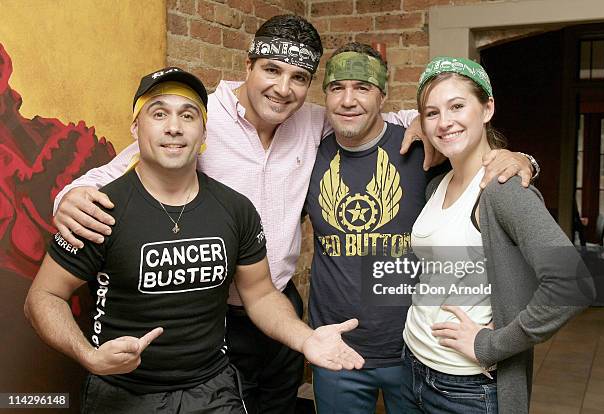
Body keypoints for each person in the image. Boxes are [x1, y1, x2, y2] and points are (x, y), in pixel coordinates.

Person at [50, 15, 535, 413]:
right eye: (272, 71)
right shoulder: (197, 119)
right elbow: (119, 168)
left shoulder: (311, 119)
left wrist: (515, 157)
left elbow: (390, 117)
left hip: (279, 306)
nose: (283, 89)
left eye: (299, 78)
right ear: (248, 66)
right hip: (211, 315)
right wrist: (68, 196)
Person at [24, 67, 364, 414]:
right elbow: (44, 296)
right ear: (136, 127)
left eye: (188, 116)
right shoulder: (99, 209)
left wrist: (307, 338)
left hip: (212, 390)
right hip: (123, 390)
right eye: (159, 114)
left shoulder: (235, 210)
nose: (174, 127)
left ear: (204, 132)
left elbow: (260, 294)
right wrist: (89, 356)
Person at [303, 43, 535, 414]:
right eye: (336, 88)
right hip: (336, 346)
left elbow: (481, 162)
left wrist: (522, 159)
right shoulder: (307, 156)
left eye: (362, 87)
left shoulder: (423, 148)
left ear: (383, 94)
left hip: (413, 351)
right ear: (325, 95)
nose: (348, 100)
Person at [402, 57, 595, 414]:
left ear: (487, 107)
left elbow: (574, 284)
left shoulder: (502, 190)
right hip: (413, 365)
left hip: (465, 386)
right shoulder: (437, 185)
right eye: (431, 113)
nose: (444, 122)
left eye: (457, 106)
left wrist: (492, 343)